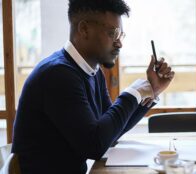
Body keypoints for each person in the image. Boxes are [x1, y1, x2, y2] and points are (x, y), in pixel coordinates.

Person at [11, 0, 175, 173]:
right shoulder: (58, 74)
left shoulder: (92, 71)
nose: (119, 43)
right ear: (84, 29)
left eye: (121, 36)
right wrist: (134, 92)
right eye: (113, 34)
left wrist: (151, 90)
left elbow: (109, 135)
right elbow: (95, 146)